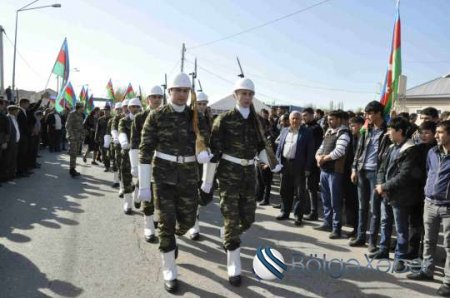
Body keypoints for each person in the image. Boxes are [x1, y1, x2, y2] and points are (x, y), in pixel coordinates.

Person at [138, 73, 209, 293]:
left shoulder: (196, 116)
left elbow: (206, 141)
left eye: (185, 91)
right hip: (163, 176)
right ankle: (169, 268)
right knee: (166, 222)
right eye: (177, 90)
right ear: (169, 92)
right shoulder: (157, 116)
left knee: (187, 222)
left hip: (188, 175)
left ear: (190, 94)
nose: (181, 95)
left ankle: (172, 241)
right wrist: (143, 185)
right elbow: (145, 150)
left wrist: (204, 153)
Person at [202, 77, 275, 287]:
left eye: (250, 94)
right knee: (231, 217)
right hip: (228, 174)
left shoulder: (258, 121)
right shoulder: (223, 120)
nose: (247, 97)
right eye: (243, 93)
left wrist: (270, 161)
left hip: (249, 173)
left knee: (249, 218)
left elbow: (262, 146)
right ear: (235, 95)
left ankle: (227, 232)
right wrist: (207, 181)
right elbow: (214, 152)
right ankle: (234, 265)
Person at [371, 116, 422, 272]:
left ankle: (400, 256)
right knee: (385, 222)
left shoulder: (411, 150)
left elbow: (405, 175)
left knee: (401, 228)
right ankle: (383, 249)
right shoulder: (392, 147)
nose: (388, 133)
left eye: (390, 130)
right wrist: (380, 184)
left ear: (399, 131)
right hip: (386, 193)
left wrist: (384, 186)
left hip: (401, 195)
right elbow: (382, 168)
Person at [407, 120, 450, 297]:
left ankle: (448, 282)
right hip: (430, 203)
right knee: (428, 240)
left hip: (448, 207)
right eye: (437, 132)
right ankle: (427, 270)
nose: (437, 135)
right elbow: (429, 172)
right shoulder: (432, 152)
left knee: (449, 245)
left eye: (440, 132)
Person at [350, 101, 391, 251]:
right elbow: (359, 151)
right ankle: (361, 236)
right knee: (362, 206)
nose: (366, 116)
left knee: (375, 209)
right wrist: (354, 169)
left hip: (377, 174)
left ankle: (372, 241)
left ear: (378, 113)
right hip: (362, 171)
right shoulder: (366, 129)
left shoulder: (388, 131)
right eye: (366, 113)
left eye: (369, 113)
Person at [130, 86, 163, 243]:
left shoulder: (167, 116)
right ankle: (148, 225)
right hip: (145, 160)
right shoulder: (140, 117)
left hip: (163, 162)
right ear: (148, 99)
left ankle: (155, 218)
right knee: (147, 192)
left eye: (159, 97)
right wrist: (135, 165)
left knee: (161, 194)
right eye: (153, 96)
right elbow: (135, 142)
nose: (157, 99)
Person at [314, 110, 351, 239]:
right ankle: (327, 223)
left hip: (336, 172)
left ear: (339, 120)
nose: (329, 122)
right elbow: (321, 147)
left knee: (336, 201)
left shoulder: (344, 133)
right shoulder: (329, 132)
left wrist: (324, 158)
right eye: (328, 119)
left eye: (332, 119)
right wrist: (318, 156)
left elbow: (339, 151)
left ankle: (336, 228)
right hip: (324, 171)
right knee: (326, 199)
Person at [275, 111, 314, 226]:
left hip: (299, 166)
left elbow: (310, 152)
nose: (295, 121)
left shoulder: (307, 132)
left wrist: (308, 167)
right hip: (285, 164)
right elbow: (279, 148)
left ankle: (298, 215)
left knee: (299, 192)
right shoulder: (284, 130)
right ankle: (285, 212)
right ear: (290, 119)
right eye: (293, 118)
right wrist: (277, 162)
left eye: (297, 118)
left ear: (301, 119)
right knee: (284, 190)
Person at [188, 90, 212, 240]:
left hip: (205, 160)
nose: (202, 106)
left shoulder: (208, 118)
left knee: (201, 194)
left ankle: (193, 223)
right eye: (199, 104)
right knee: (191, 194)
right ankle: (193, 226)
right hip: (191, 159)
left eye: (204, 104)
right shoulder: (190, 117)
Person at [118, 98, 142, 214]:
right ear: (129, 108)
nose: (135, 109)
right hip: (127, 152)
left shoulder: (144, 120)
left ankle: (137, 191)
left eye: (137, 107)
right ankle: (128, 202)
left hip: (141, 153)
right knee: (126, 176)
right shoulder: (124, 120)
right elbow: (121, 131)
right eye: (133, 107)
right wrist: (124, 142)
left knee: (143, 175)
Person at [302, 107, 324, 221]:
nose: (303, 118)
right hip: (304, 161)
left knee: (311, 188)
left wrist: (309, 165)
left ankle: (313, 212)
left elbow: (313, 148)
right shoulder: (306, 127)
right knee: (305, 187)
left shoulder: (315, 128)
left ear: (312, 115)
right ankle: (306, 209)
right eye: (303, 115)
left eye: (305, 115)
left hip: (312, 163)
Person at [344, 116, 364, 238]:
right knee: (351, 201)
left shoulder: (365, 138)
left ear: (361, 125)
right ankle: (354, 227)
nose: (351, 128)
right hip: (349, 173)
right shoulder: (352, 137)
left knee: (359, 204)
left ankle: (359, 230)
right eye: (350, 125)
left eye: (353, 125)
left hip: (360, 174)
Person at [112, 100, 129, 197]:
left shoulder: (136, 117)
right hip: (120, 146)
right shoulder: (118, 118)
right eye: (124, 106)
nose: (126, 108)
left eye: (127, 106)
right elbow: (114, 129)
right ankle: (122, 186)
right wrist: (116, 138)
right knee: (121, 166)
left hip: (133, 146)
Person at [66, 102, 84, 177]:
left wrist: (83, 134)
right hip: (73, 137)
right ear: (79, 107)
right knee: (73, 153)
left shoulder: (80, 115)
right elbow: (68, 126)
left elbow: (80, 126)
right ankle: (71, 170)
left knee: (75, 153)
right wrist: (71, 136)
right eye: (82, 107)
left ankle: (73, 168)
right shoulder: (72, 114)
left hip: (78, 137)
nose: (83, 108)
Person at [95, 105, 112, 172]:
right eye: (104, 110)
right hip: (102, 139)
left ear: (109, 111)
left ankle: (110, 163)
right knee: (103, 152)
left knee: (109, 152)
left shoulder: (112, 119)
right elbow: (97, 129)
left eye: (107, 110)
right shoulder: (100, 119)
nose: (105, 111)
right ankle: (106, 166)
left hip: (110, 138)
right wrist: (96, 137)